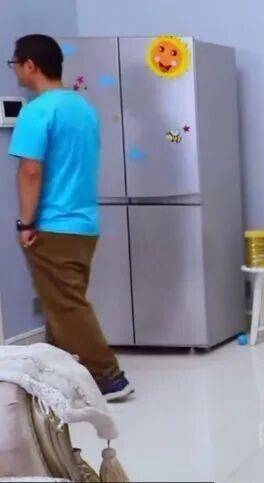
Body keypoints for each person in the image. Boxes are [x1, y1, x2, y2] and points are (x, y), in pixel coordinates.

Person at [8, 34, 133, 401]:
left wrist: (26, 223)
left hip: (53, 224)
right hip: (84, 225)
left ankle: (109, 377)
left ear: (30, 65)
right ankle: (59, 375)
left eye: (15, 63)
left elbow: (30, 171)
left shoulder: (38, 111)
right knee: (60, 304)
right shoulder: (82, 108)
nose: (14, 70)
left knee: (66, 305)